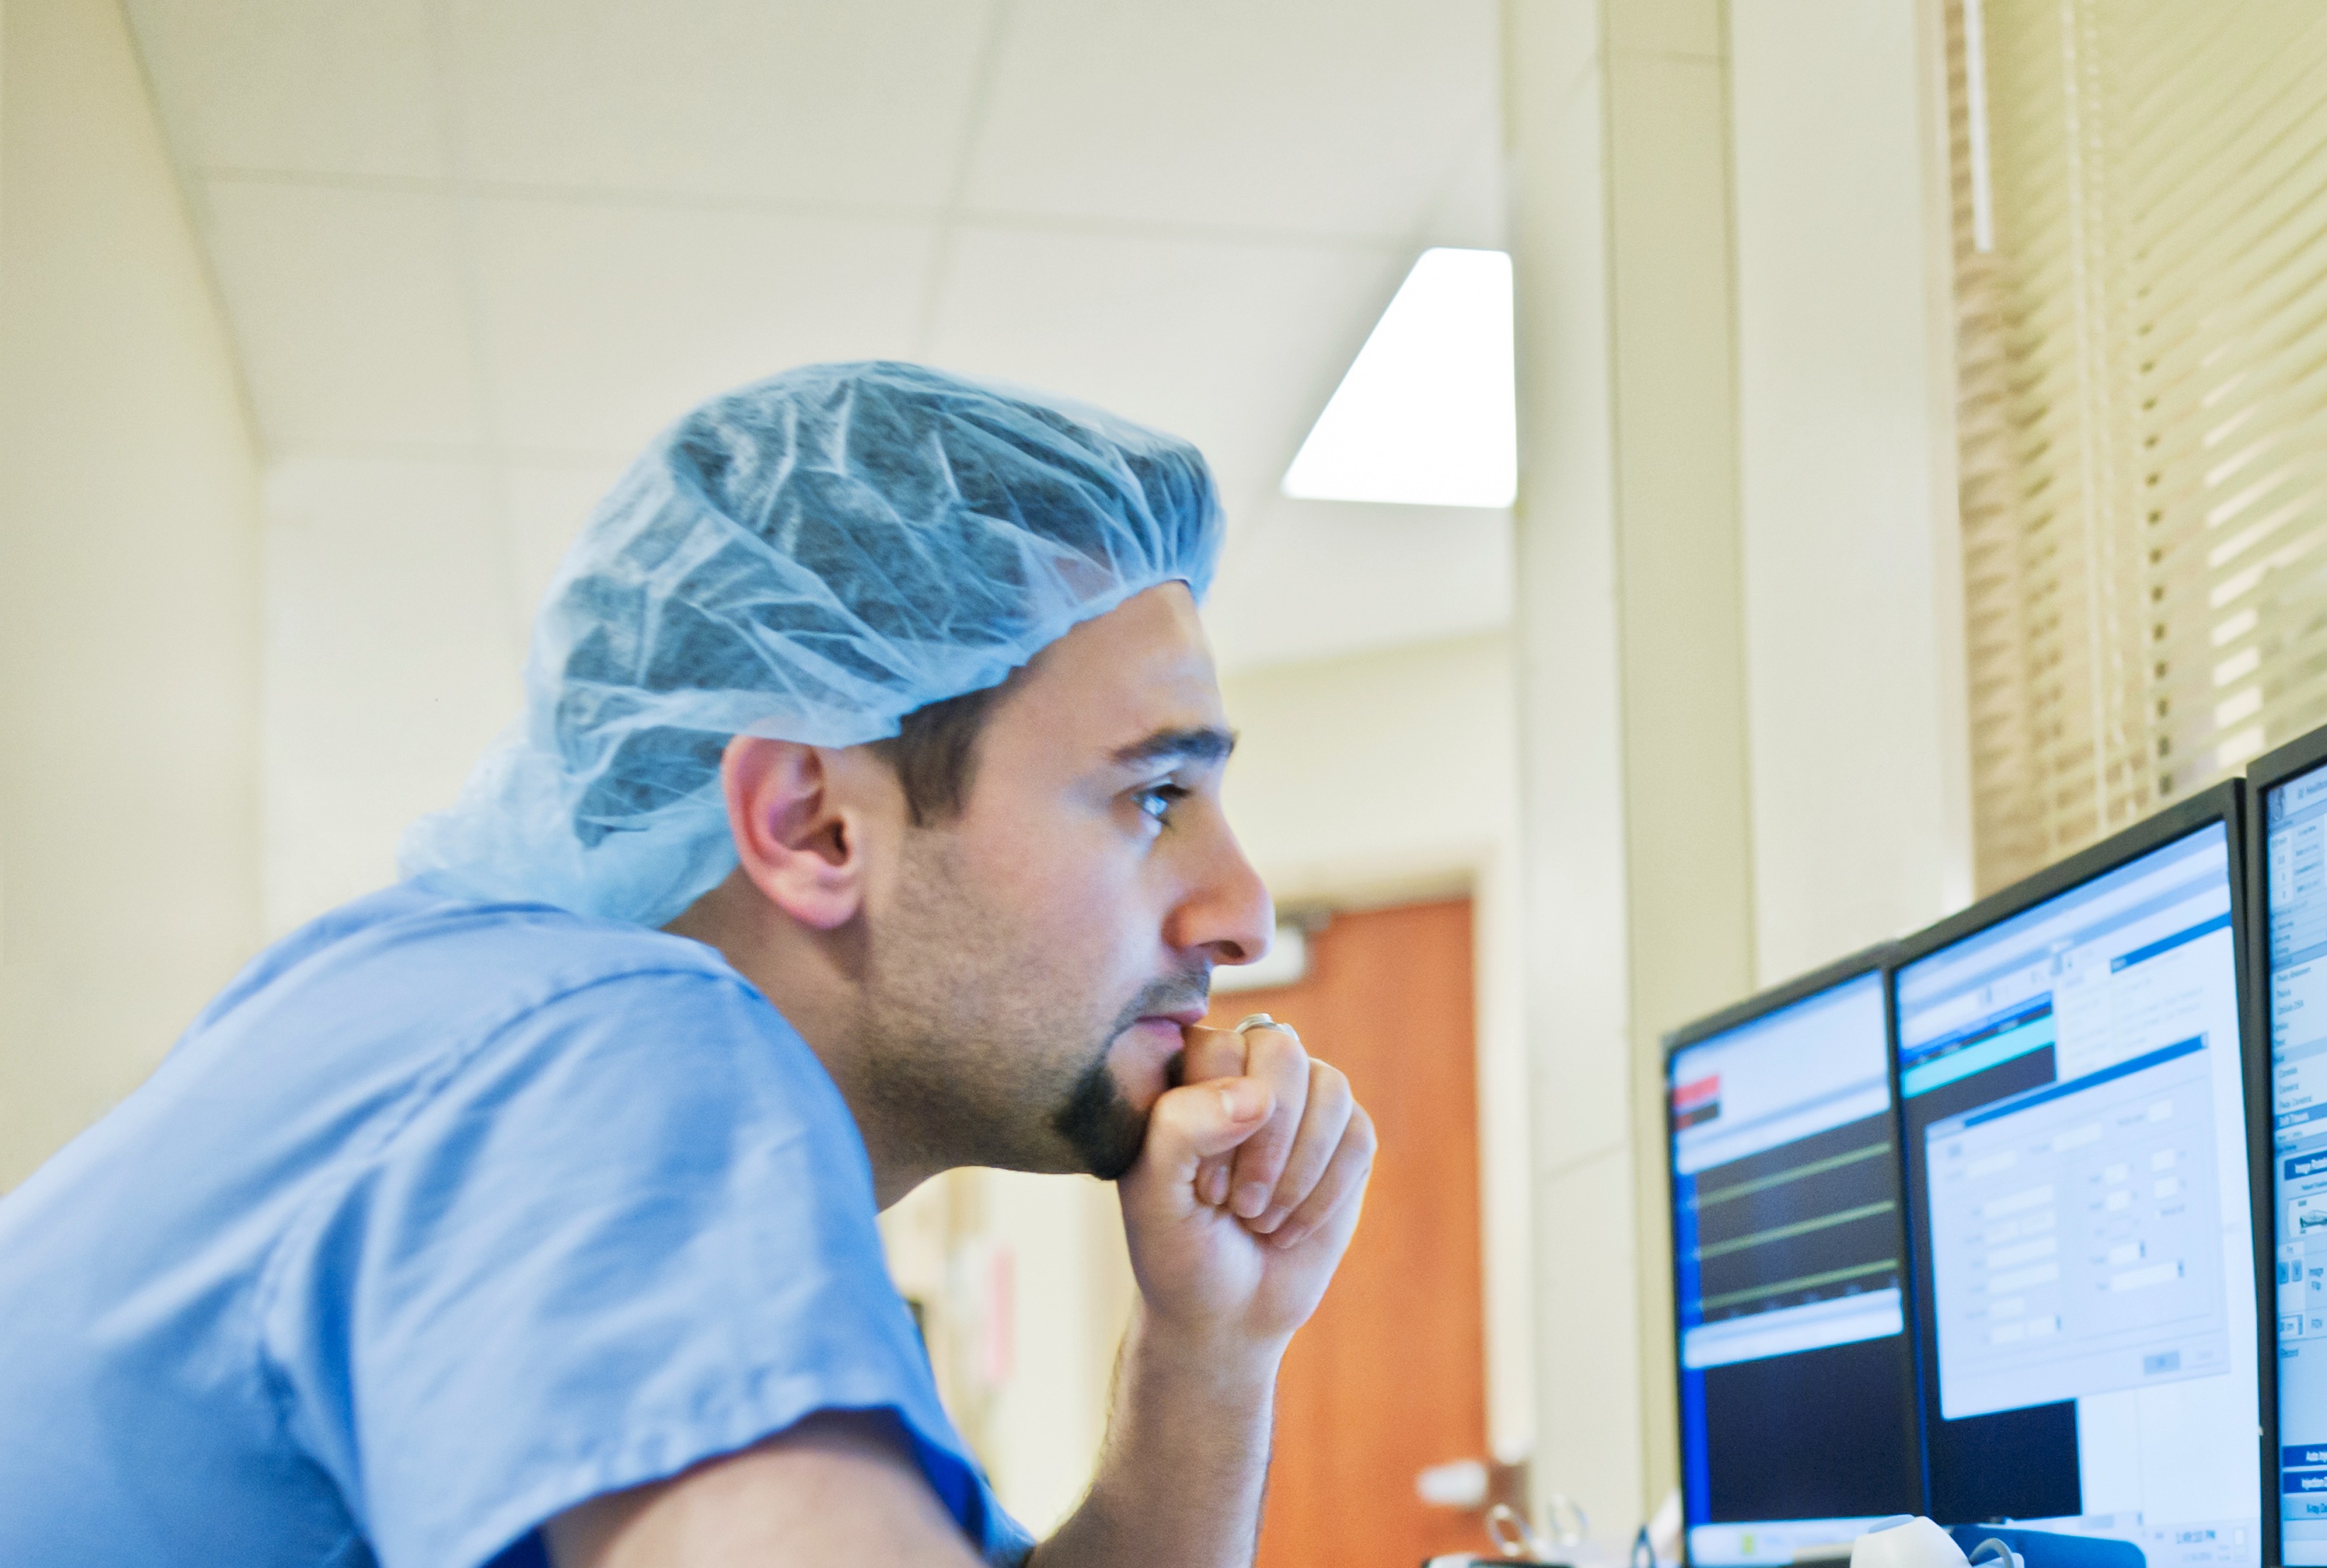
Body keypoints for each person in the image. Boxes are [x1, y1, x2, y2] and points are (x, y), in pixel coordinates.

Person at [0, 362, 1375, 1568]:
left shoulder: (496, 1040)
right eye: (1151, 795)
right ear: (811, 823)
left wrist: (1211, 1352)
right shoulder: (608, 1046)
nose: (1242, 912)